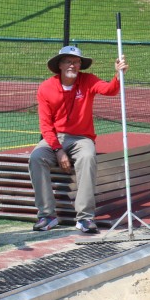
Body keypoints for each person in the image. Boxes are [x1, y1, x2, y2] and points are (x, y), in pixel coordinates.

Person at [29, 45, 128, 233]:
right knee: (36, 157)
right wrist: (58, 151)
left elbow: (110, 90)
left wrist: (118, 74)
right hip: (55, 138)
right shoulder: (46, 87)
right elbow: (46, 126)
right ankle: (47, 215)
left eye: (76, 62)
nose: (72, 65)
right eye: (68, 61)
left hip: (82, 138)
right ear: (59, 65)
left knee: (88, 157)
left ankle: (84, 217)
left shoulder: (88, 80)